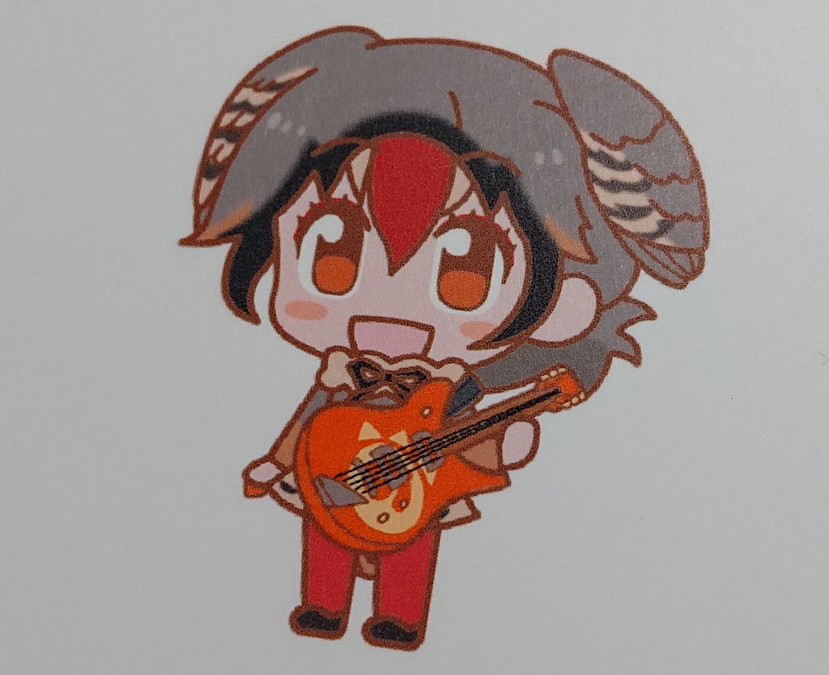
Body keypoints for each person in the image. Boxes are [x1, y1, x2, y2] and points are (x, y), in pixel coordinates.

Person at [182, 26, 708, 650]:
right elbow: (310, 418)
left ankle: (400, 615)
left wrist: (499, 442)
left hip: (416, 492)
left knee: (416, 539)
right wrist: (278, 461)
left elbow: (467, 450)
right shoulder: (341, 375)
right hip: (329, 469)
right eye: (332, 258)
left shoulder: (455, 388)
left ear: (562, 299)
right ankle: (323, 604)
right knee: (323, 533)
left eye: (464, 275)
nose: (388, 320)